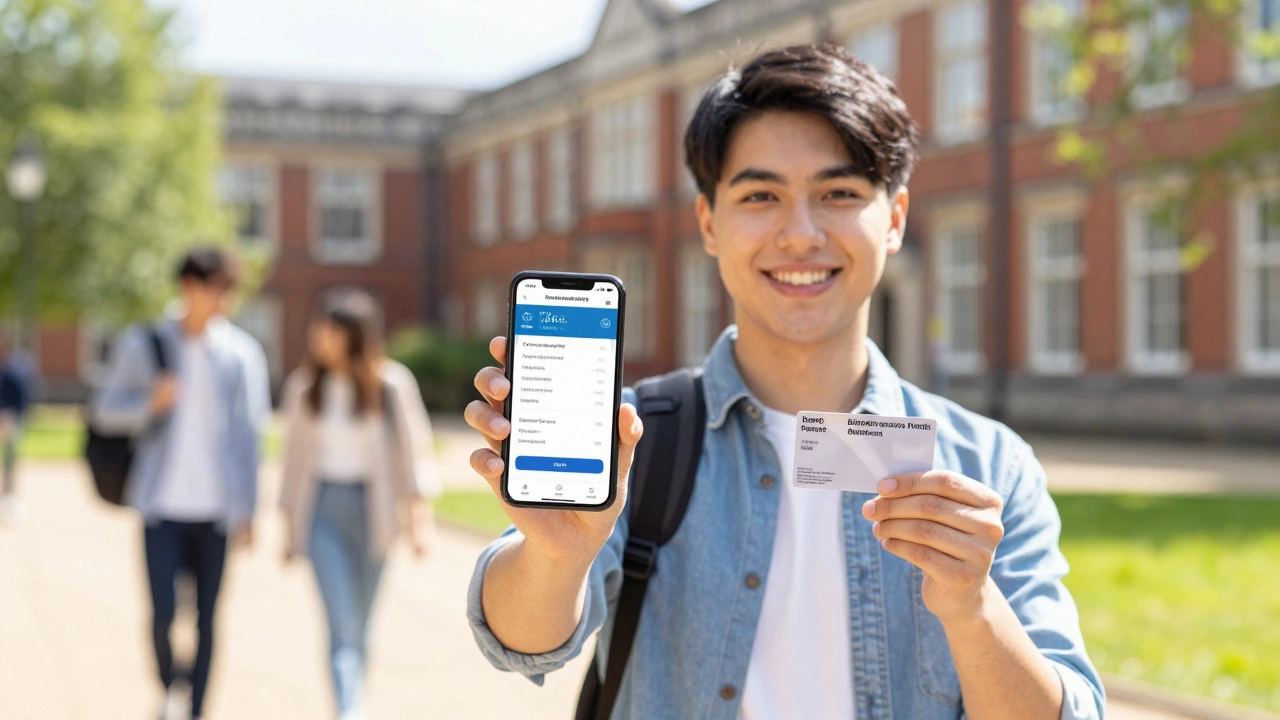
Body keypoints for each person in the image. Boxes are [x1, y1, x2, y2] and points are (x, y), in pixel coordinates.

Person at [462, 43, 1105, 720]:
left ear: (895, 219)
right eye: (761, 195)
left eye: (839, 194)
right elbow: (520, 644)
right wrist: (556, 554)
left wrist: (974, 611)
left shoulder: (988, 464)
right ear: (709, 222)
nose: (800, 236)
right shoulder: (629, 437)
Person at [93, 247, 270, 720]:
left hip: (216, 512)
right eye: (218, 290)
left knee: (209, 620)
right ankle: (169, 682)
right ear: (189, 288)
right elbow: (103, 411)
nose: (225, 302)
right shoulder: (144, 345)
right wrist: (151, 402)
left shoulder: (240, 354)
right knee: (164, 613)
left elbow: (251, 439)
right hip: (160, 507)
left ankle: (195, 708)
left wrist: (249, 510)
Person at [279, 294, 440, 720]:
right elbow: (292, 464)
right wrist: (287, 528)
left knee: (363, 625)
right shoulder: (303, 388)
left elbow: (414, 455)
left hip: (375, 514)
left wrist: (419, 524)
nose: (319, 337)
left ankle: (354, 702)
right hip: (323, 513)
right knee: (342, 622)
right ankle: (349, 710)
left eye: (329, 329)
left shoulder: (391, 385)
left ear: (354, 336)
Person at [0, 330, 36, 525]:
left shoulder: (15, 368)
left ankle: (9, 495)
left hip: (9, 419)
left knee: (10, 458)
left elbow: (22, 398)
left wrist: (9, 417)